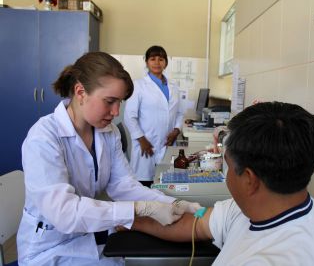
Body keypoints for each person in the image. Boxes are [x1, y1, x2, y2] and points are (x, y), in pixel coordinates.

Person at [17, 52, 200, 266]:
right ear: (80, 92)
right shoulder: (43, 137)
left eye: (119, 102)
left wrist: (174, 203)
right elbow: (64, 213)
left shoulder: (107, 132)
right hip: (48, 249)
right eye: (110, 101)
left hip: (86, 239)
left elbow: (123, 186)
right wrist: (139, 209)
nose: (116, 112)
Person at [130, 102, 314, 265]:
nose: (227, 172)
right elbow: (195, 223)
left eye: (228, 165)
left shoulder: (282, 258)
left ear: (250, 180)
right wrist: (129, 218)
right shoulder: (257, 209)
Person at [123, 45, 184, 187]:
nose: (157, 62)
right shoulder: (138, 85)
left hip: (167, 144)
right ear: (146, 62)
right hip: (146, 144)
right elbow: (129, 116)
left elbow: (180, 113)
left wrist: (176, 130)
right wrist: (141, 139)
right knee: (144, 185)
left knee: (165, 185)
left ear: (166, 63)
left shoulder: (174, 87)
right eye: (153, 59)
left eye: (161, 59)